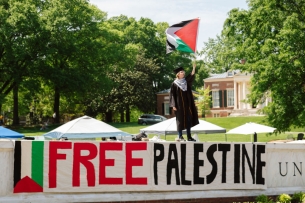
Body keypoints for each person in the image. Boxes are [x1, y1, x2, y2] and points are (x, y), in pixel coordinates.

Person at [170, 63, 199, 141]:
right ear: (178, 74)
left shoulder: (186, 82)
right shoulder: (174, 84)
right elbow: (172, 95)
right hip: (179, 106)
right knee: (180, 120)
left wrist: (193, 68)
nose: (183, 73)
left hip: (187, 105)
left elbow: (191, 75)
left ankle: (189, 136)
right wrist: (173, 105)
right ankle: (180, 136)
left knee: (188, 120)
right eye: (182, 72)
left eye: (183, 72)